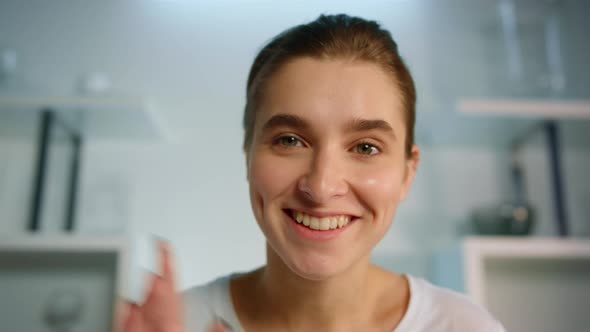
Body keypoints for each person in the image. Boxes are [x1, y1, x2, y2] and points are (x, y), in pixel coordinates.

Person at [122, 14, 506, 332]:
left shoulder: (463, 326)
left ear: (408, 173)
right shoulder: (176, 325)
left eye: (366, 147)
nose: (321, 187)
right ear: (248, 153)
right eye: (290, 140)